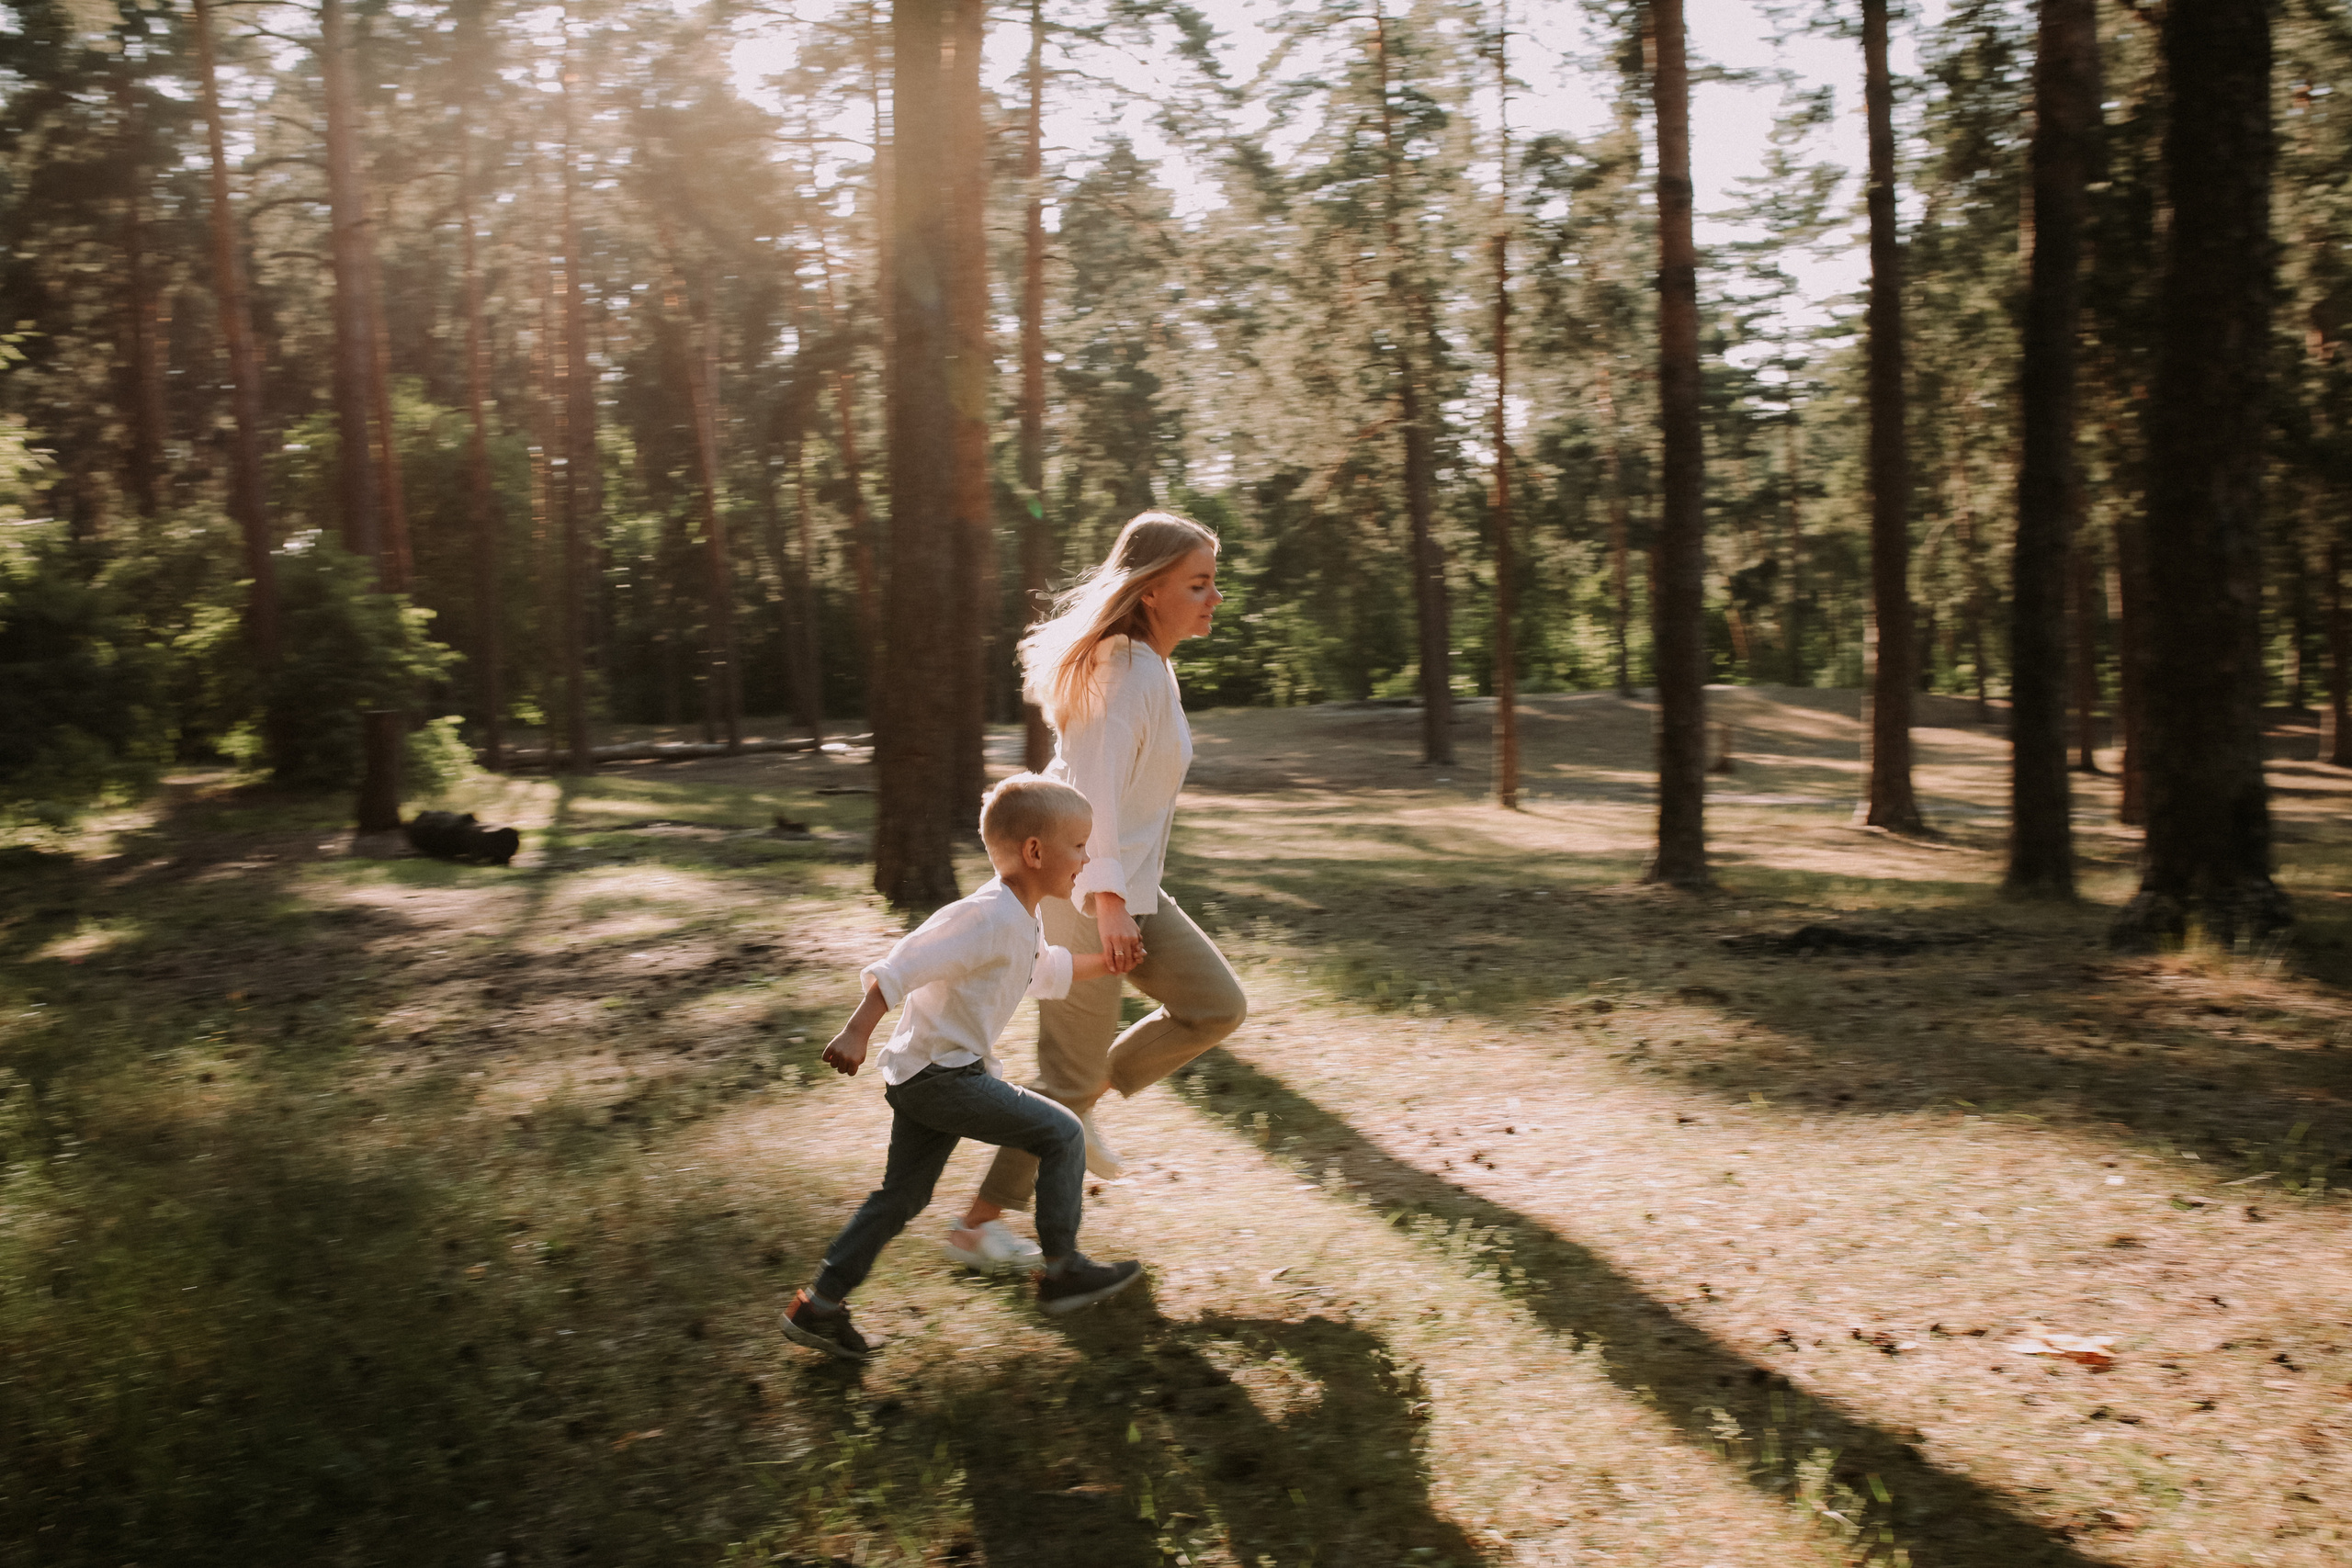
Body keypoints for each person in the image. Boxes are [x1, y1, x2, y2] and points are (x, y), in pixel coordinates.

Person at [943, 511, 1249, 1272]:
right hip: (1085, 893)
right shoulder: (1122, 671)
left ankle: (1086, 1098)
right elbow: (1091, 795)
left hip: (1129, 888)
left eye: (1214, 582)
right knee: (1064, 1078)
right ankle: (977, 1226)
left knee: (1215, 1006)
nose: (1214, 598)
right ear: (1150, 592)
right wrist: (1106, 900)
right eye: (1198, 584)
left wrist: (1124, 893)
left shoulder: (1150, 666)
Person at [780, 774, 1146, 1363]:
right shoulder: (983, 915)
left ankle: (818, 1306)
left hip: (933, 1075)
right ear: (1035, 851)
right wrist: (856, 1029)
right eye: (1078, 845)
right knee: (1062, 1132)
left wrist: (1105, 963)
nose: (1086, 859)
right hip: (943, 1078)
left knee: (901, 1197)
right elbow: (903, 963)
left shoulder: (1018, 918)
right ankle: (1062, 1272)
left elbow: (1043, 970)